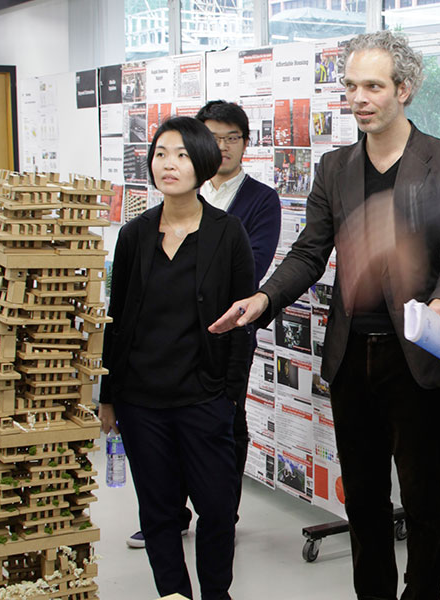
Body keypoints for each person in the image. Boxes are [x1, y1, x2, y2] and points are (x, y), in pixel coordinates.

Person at [210, 30, 440, 600]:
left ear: (405, 89)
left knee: (424, 498)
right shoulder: (334, 167)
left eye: (373, 86)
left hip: (418, 355)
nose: (359, 98)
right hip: (352, 355)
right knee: (363, 497)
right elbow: (310, 251)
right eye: (352, 86)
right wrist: (264, 298)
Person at [99, 116, 254, 600]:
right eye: (161, 154)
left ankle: (216, 594)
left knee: (217, 509)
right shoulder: (134, 235)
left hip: (204, 398)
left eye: (182, 155)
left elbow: (242, 322)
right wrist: (108, 396)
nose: (169, 164)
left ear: (203, 164)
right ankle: (174, 594)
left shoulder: (228, 233)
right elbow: (117, 319)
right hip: (141, 401)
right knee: (159, 513)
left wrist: (229, 396)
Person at [123, 100, 282, 549]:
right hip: (167, 342)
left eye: (233, 138)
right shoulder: (171, 201)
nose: (223, 146)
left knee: (227, 423)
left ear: (245, 144)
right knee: (162, 430)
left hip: (223, 335)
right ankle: (170, 514)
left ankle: (221, 513)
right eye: (213, 137)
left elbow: (251, 268)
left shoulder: (258, 200)